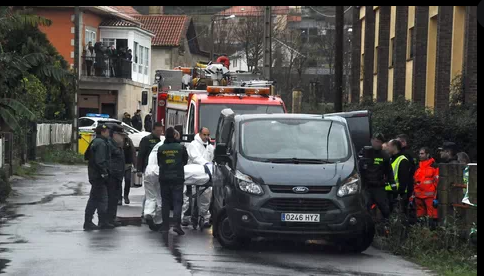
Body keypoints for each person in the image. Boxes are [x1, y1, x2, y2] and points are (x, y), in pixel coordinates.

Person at [157, 127, 189, 235]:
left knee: (165, 202)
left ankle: (165, 225)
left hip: (164, 178)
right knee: (177, 202)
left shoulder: (161, 148)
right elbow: (185, 161)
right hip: (177, 178)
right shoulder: (181, 148)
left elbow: (159, 162)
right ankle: (176, 225)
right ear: (175, 136)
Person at [182, 127, 214, 227]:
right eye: (204, 135)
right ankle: (185, 217)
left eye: (208, 135)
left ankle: (204, 217)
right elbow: (196, 158)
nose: (206, 137)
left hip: (205, 176)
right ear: (199, 134)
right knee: (188, 198)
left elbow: (212, 159)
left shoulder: (210, 147)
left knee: (206, 196)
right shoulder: (193, 145)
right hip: (193, 175)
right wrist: (207, 164)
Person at [359, 133, 395, 221]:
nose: (377, 144)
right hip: (366, 186)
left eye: (379, 142)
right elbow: (357, 168)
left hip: (379, 187)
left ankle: (387, 226)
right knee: (365, 208)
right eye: (375, 141)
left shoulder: (384, 155)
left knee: (384, 209)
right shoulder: (364, 152)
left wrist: (393, 184)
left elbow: (389, 172)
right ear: (371, 140)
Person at [84, 124, 112, 230]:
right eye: (107, 131)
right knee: (98, 199)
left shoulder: (95, 141)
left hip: (95, 175)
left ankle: (97, 221)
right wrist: (104, 173)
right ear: (103, 132)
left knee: (98, 198)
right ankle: (91, 222)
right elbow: (100, 161)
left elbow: (87, 156)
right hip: (98, 176)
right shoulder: (101, 143)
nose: (108, 133)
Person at [137, 122, 163, 224]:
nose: (159, 133)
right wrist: (139, 169)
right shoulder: (146, 140)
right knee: (149, 193)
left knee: (152, 193)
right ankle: (144, 213)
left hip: (156, 170)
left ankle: (149, 213)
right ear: (153, 130)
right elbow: (141, 155)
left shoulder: (160, 140)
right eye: (157, 131)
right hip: (147, 168)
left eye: (161, 131)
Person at [411, 147, 439, 229]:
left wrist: (436, 197)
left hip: (430, 197)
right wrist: (412, 196)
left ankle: (432, 236)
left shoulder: (434, 166)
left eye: (422, 153)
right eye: (419, 153)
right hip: (418, 196)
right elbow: (415, 182)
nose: (420, 155)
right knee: (420, 218)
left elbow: (437, 182)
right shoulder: (417, 167)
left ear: (428, 154)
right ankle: (422, 236)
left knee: (431, 218)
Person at [386, 139, 413, 218]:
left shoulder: (402, 160)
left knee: (399, 216)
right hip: (389, 192)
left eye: (388, 146)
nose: (387, 148)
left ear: (394, 147)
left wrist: (399, 193)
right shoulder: (391, 158)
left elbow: (404, 179)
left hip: (398, 193)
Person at [106, 124, 125, 227]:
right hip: (112, 175)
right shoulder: (110, 144)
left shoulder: (117, 144)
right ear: (114, 135)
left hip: (117, 175)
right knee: (111, 198)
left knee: (114, 198)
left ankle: (112, 217)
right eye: (120, 135)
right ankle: (108, 219)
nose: (122, 137)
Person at [122, 134, 137, 205]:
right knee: (118, 182)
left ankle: (126, 196)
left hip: (127, 164)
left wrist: (135, 165)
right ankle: (119, 198)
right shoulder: (115, 141)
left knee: (127, 180)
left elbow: (133, 152)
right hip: (118, 165)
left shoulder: (128, 141)